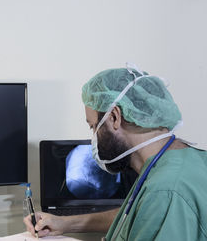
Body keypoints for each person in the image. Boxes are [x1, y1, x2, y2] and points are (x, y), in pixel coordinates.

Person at [24, 64, 207, 240]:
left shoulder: (163, 191)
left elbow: (155, 208)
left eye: (93, 126)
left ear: (114, 117)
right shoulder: (182, 160)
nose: (94, 136)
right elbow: (135, 213)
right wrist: (66, 223)